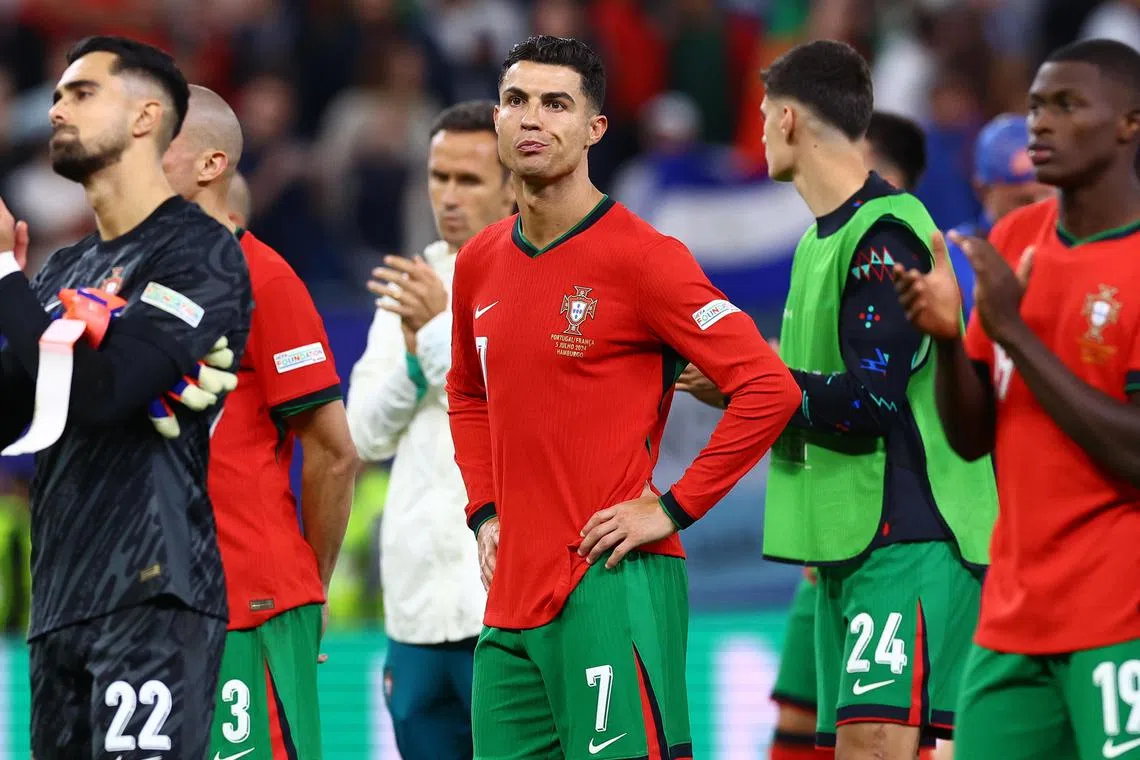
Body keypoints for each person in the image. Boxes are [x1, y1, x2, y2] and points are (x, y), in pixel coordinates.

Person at [440, 35, 800, 760]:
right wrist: (484, 512)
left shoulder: (644, 258)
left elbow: (769, 387)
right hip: (511, 598)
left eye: (556, 104)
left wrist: (671, 508)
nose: (532, 118)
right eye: (516, 101)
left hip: (610, 578)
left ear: (594, 129)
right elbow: (466, 392)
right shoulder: (479, 261)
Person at [0, 36, 252, 757]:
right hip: (58, 601)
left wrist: (5, 277)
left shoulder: (199, 252)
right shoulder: (66, 268)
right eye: (56, 96)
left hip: (151, 592)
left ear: (146, 118)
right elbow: (13, 409)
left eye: (82, 93)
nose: (56, 109)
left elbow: (105, 394)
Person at [895, 38, 1140, 760]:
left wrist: (1015, 333)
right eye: (1035, 106)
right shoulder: (1017, 237)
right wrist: (948, 338)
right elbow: (973, 436)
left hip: (1119, 610)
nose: (1041, 123)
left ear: (1130, 123)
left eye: (1068, 105)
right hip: (1014, 613)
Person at [755, 40, 999, 760]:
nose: (760, 132)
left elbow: (872, 402)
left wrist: (755, 382)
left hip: (910, 534)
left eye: (765, 114)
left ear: (790, 119)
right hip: (850, 542)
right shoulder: (819, 241)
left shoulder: (884, 236)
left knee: (877, 748)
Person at [162, 84, 356, 760]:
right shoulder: (128, 281)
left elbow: (334, 452)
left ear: (211, 163)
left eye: (155, 142)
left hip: (250, 600)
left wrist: (311, 588)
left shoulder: (265, 280)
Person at [346, 100, 515, 759]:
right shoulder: (413, 282)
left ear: (511, 187)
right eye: (439, 177)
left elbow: (517, 409)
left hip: (500, 602)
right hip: (415, 603)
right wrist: (417, 361)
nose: (448, 195)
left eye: (468, 179)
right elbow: (365, 433)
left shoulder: (533, 277)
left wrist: (438, 328)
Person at [944, 114, 1053, 316]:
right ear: (983, 191)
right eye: (1024, 201)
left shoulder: (1074, 251)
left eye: (1047, 198)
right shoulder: (949, 261)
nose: (1039, 211)